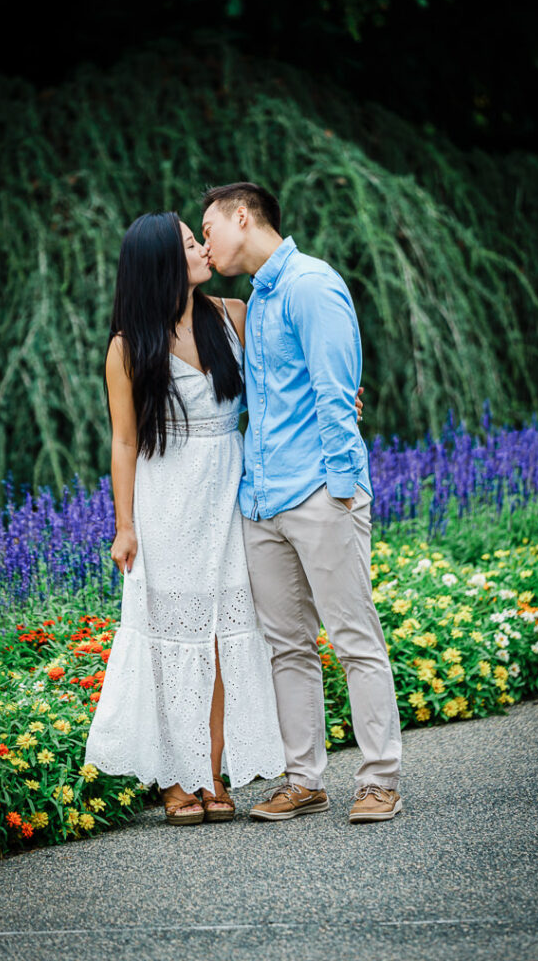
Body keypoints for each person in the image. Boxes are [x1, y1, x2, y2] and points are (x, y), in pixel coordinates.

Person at [201, 182, 403, 824]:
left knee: (353, 637)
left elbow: (336, 394)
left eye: (209, 228)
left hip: (319, 493)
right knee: (287, 645)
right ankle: (305, 779)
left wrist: (341, 493)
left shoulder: (312, 285)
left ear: (242, 216)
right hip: (260, 503)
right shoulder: (257, 300)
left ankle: (380, 779)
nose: (206, 243)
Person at [83, 210, 288, 825]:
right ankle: (177, 779)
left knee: (223, 641)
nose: (203, 247)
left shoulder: (231, 315)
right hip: (166, 503)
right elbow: (123, 443)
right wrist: (125, 525)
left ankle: (214, 772)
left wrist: (340, 391)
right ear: (161, 264)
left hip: (226, 499)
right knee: (171, 641)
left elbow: (286, 379)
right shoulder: (129, 348)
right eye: (189, 243)